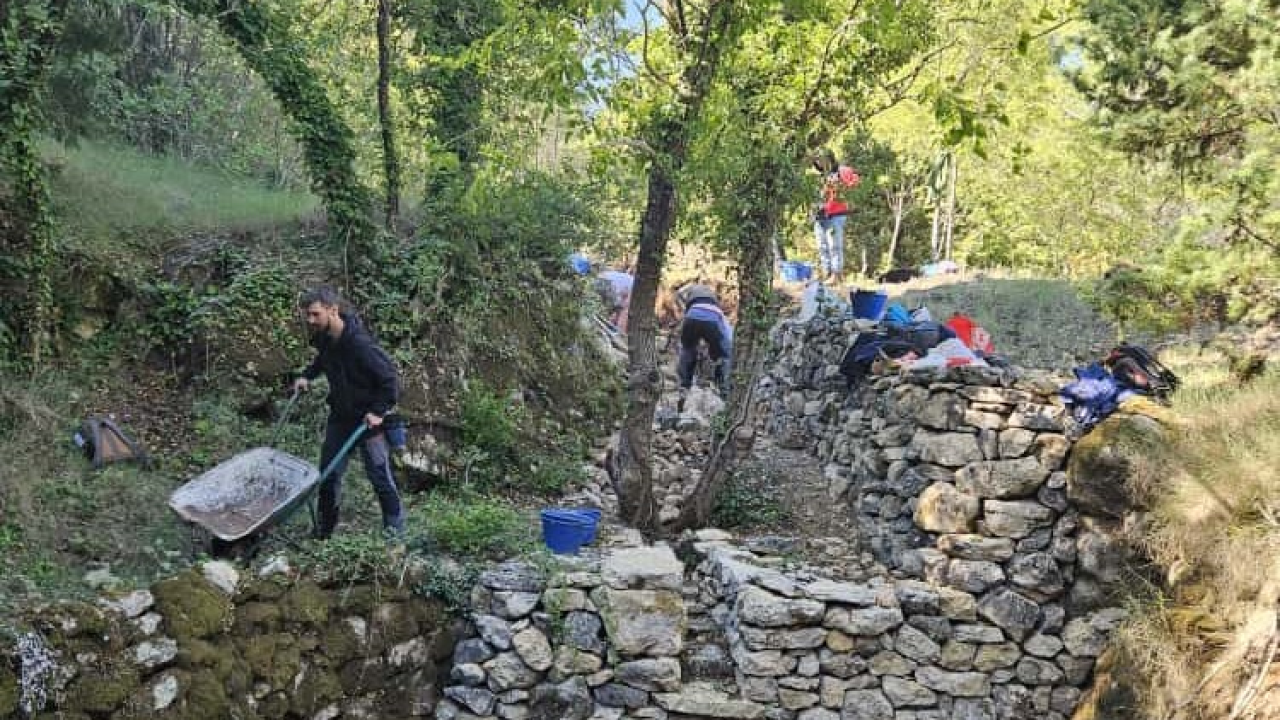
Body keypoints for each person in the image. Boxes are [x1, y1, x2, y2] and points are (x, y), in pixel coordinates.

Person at [292, 287, 405, 539]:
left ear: (333, 310)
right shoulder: (326, 339)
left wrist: (377, 412)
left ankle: (395, 535)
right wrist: (306, 376)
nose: (310, 320)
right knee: (328, 475)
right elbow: (322, 361)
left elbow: (389, 380)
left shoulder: (359, 344)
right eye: (307, 315)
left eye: (315, 314)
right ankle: (323, 534)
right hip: (341, 418)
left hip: (368, 422)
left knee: (380, 478)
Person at [811, 150, 861, 284]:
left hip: (836, 214)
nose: (820, 163)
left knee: (834, 245)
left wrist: (842, 185)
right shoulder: (818, 175)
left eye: (822, 160)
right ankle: (826, 273)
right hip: (819, 215)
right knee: (821, 246)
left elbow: (855, 182)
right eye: (818, 161)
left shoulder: (841, 171)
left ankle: (836, 274)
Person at [676, 282, 733, 394]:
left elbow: (679, 294)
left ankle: (684, 385)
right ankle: (723, 388)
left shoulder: (691, 295)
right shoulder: (718, 311)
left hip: (692, 316)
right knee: (723, 355)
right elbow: (727, 337)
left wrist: (685, 311)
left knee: (688, 349)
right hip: (712, 320)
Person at [595, 265, 635, 333]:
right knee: (619, 312)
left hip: (629, 288)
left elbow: (616, 307)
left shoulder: (600, 282)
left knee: (621, 315)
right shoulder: (601, 278)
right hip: (617, 287)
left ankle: (617, 333)